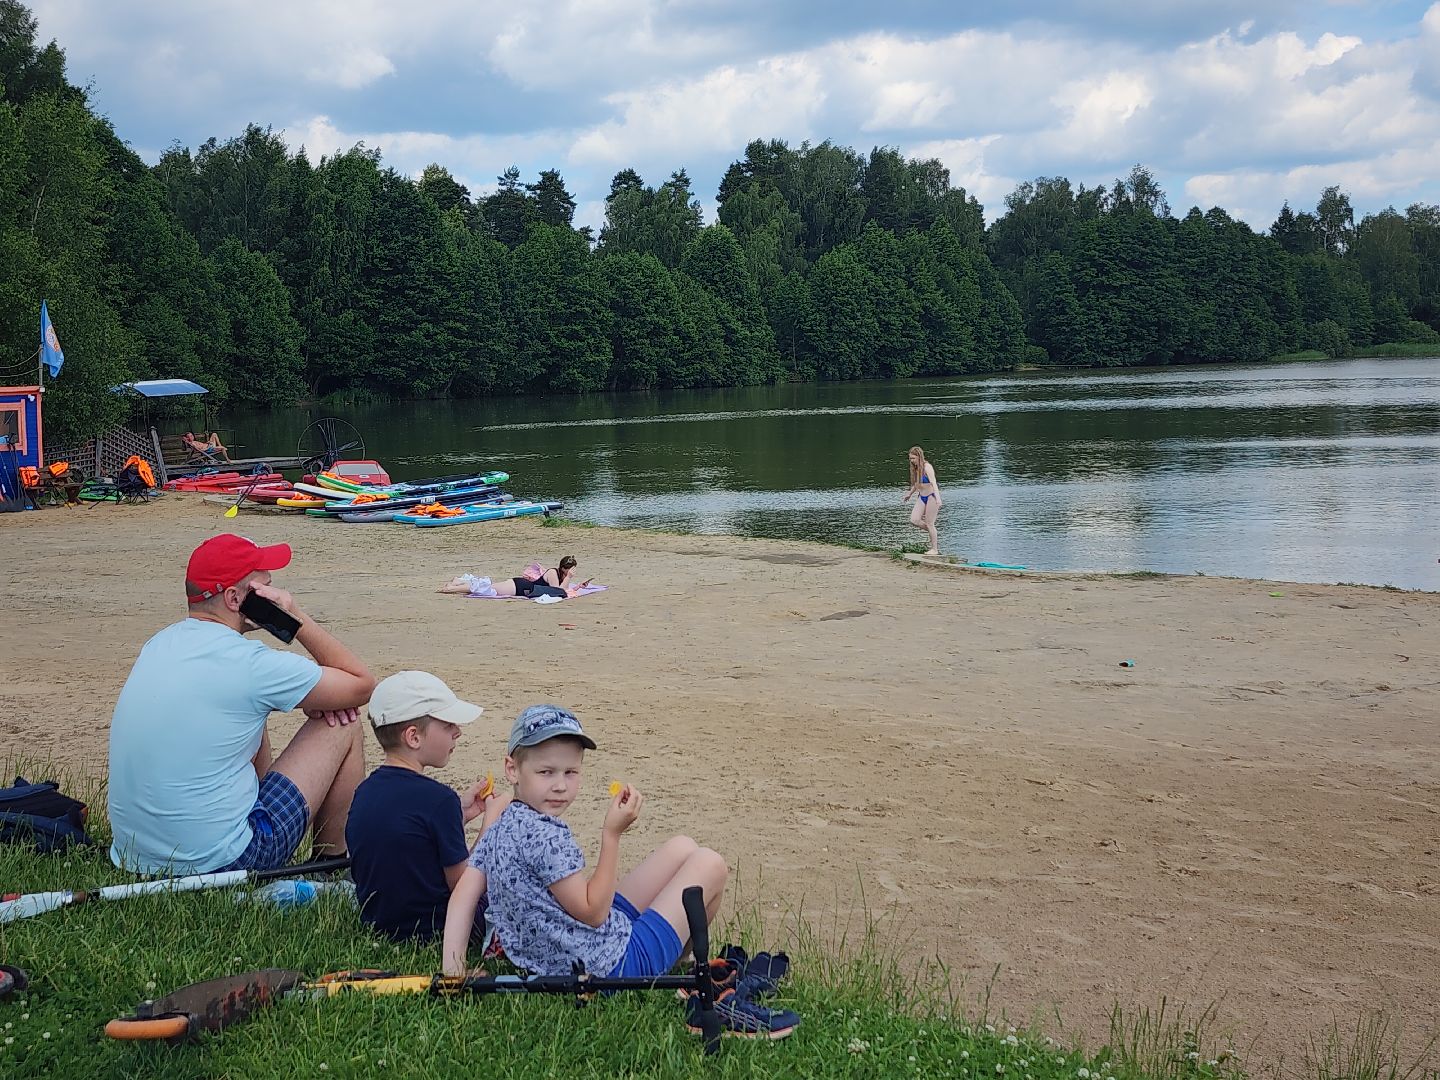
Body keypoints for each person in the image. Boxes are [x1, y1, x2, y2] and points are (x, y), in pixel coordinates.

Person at [107, 534, 377, 874]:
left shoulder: (159, 644)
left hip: (136, 857)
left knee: (251, 715)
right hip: (224, 863)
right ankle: (331, 865)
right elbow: (360, 684)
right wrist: (296, 617)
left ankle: (278, 823)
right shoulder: (250, 663)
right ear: (235, 599)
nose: (274, 595)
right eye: (264, 590)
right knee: (342, 723)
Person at [441, 705, 727, 983]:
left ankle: (671, 955)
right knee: (710, 864)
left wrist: (453, 971)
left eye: (570, 772)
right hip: (609, 967)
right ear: (512, 769)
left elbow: (464, 894)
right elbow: (593, 913)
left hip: (558, 951)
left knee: (682, 846)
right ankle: (674, 966)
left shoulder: (500, 824)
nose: (560, 785)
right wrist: (611, 835)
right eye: (546, 772)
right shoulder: (546, 836)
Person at [345, 671, 504, 942]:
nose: (458, 732)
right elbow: (466, 887)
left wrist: (460, 816)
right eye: (448, 725)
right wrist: (491, 825)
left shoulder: (364, 792)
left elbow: (407, 840)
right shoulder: (439, 800)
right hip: (440, 930)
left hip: (381, 925)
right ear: (413, 737)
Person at [440, 556, 588, 599]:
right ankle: (452, 588)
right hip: (519, 586)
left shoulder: (561, 576)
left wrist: (578, 586)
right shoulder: (553, 573)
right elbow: (559, 591)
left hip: (521, 588)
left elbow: (564, 590)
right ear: (563, 568)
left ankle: (459, 582)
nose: (571, 572)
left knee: (489, 589)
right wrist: (569, 577)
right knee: (487, 589)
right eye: (569, 570)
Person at [902, 445, 942, 555]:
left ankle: (934, 549)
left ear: (919, 457)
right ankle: (933, 532)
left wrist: (938, 498)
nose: (911, 461)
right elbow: (917, 484)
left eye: (913, 458)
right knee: (914, 520)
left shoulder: (927, 467)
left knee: (930, 523)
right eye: (910, 458)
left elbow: (933, 483)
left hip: (931, 497)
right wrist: (909, 494)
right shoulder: (915, 468)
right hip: (921, 496)